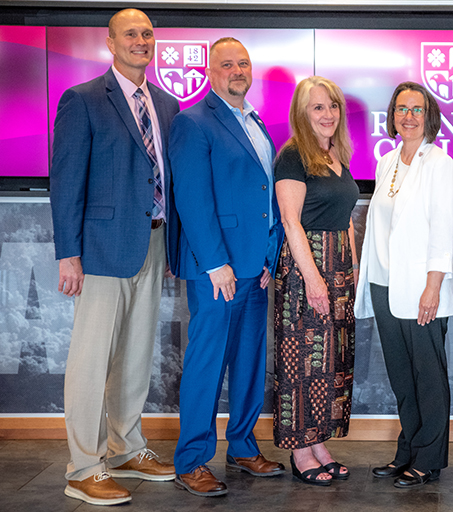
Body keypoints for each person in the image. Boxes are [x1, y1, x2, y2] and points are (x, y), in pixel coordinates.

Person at [50, 8, 179, 506]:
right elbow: (65, 181)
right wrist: (69, 255)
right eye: (131, 34)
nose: (141, 41)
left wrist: (174, 245)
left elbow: (168, 181)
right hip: (100, 249)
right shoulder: (82, 100)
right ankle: (83, 466)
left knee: (135, 354)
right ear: (110, 42)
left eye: (147, 33)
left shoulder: (165, 105)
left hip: (152, 241)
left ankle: (126, 447)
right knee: (91, 358)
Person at [170, 37, 286, 497]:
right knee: (206, 363)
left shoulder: (255, 122)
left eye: (243, 63)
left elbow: (265, 198)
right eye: (227, 64)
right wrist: (216, 263)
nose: (238, 70)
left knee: (250, 364)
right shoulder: (193, 122)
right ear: (210, 71)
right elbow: (194, 201)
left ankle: (241, 444)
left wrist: (267, 257)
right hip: (216, 271)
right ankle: (192, 459)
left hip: (254, 269)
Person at [354, 82, 453, 488]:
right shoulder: (386, 162)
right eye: (402, 109)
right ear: (392, 116)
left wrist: (433, 286)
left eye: (417, 109)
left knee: (428, 376)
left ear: (429, 116)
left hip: (422, 288)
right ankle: (408, 450)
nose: (409, 116)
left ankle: (428, 458)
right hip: (384, 284)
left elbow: (441, 231)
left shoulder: (440, 164)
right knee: (401, 375)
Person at [272, 76, 358, 486]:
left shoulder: (338, 154)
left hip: (339, 267)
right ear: (302, 114)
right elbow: (291, 221)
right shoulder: (292, 156)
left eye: (333, 106)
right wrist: (314, 280)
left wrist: (354, 271)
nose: (327, 114)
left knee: (333, 363)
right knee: (304, 364)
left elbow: (346, 222)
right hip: (307, 271)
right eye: (317, 108)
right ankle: (300, 449)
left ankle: (320, 441)